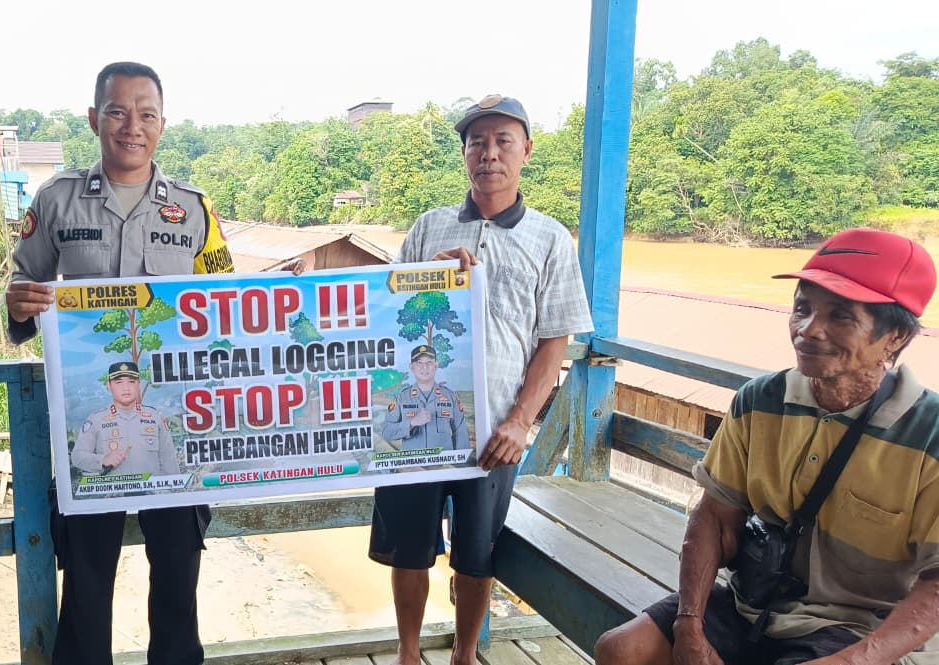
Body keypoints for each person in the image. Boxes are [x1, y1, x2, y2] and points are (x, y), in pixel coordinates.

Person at [594, 227, 939, 665]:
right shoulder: (761, 400)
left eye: (840, 317)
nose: (809, 330)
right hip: (752, 605)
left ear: (896, 337)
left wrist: (849, 661)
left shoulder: (929, 433)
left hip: (856, 629)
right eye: (802, 308)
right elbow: (714, 518)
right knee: (622, 650)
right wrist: (689, 626)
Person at [5, 61, 231, 665]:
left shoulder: (195, 211)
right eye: (117, 111)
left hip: (172, 425)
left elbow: (225, 306)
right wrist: (19, 303)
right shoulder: (56, 200)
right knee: (86, 576)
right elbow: (23, 289)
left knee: (178, 574)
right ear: (93, 118)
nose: (133, 126)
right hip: (90, 422)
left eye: (146, 113)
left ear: (163, 124)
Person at [369, 94, 593, 665]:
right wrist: (428, 278)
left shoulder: (550, 238)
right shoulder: (428, 227)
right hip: (419, 425)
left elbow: (554, 340)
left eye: (502, 141)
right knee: (409, 550)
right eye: (477, 143)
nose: (489, 154)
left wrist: (520, 423)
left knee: (476, 555)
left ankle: (465, 655)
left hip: (494, 430)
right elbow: (387, 316)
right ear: (465, 153)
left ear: (526, 151)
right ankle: (408, 653)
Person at [73, 361, 179, 477]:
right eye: (119, 382)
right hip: (114, 488)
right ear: (109, 386)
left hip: (150, 488)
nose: (126, 388)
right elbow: (78, 456)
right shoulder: (96, 420)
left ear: (139, 385)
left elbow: (170, 462)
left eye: (131, 382)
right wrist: (102, 460)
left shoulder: (155, 417)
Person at [381, 344, 469, 451]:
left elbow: (461, 434)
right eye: (419, 363)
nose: (425, 367)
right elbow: (386, 432)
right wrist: (411, 423)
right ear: (411, 367)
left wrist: (461, 460)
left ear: (436, 365)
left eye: (429, 362)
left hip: (443, 460)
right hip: (413, 461)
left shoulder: (451, 397)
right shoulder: (400, 398)